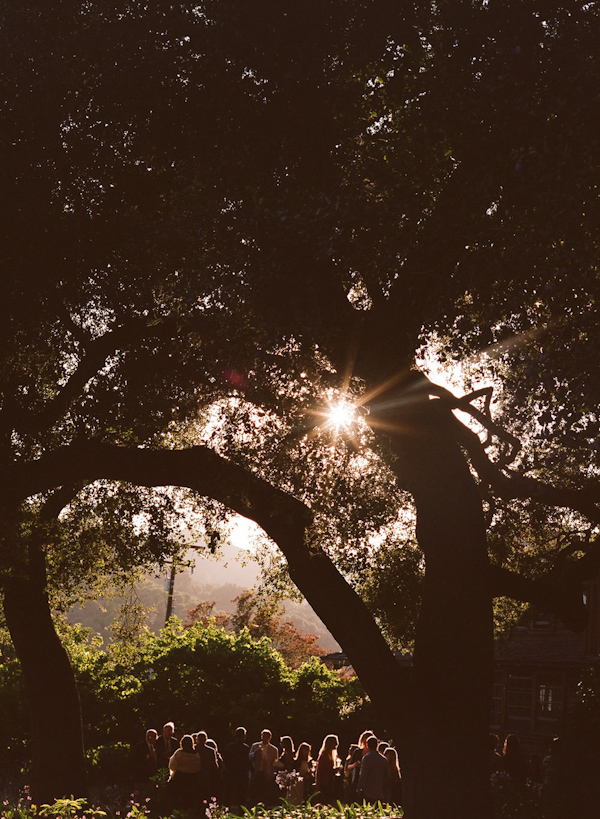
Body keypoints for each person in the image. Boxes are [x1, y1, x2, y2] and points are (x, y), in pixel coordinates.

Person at [166, 735, 201, 812]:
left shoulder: (179, 753)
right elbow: (198, 767)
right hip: (193, 779)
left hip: (180, 778)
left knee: (177, 797)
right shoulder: (196, 755)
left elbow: (172, 765)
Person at [249, 729, 279, 806]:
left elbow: (275, 762)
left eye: (266, 737)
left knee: (265, 791)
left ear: (270, 738)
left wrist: (272, 773)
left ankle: (264, 806)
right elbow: (249, 757)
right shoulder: (255, 746)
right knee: (254, 790)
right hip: (256, 771)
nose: (264, 738)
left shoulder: (274, 749)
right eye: (263, 736)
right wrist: (254, 754)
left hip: (267, 772)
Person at [222, 726, 250, 808]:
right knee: (241, 794)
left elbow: (226, 760)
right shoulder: (245, 748)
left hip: (231, 773)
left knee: (229, 793)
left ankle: (226, 809)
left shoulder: (229, 747)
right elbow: (247, 761)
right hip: (241, 773)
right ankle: (242, 811)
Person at [357, 735, 390, 803]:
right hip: (379, 790)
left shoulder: (366, 758)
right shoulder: (383, 759)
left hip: (368, 790)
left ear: (367, 745)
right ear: (377, 745)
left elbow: (363, 774)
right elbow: (386, 776)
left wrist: (359, 788)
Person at [315, 734, 340, 805]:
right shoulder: (323, 756)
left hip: (329, 782)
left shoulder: (330, 755)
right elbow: (319, 771)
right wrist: (317, 785)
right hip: (324, 783)